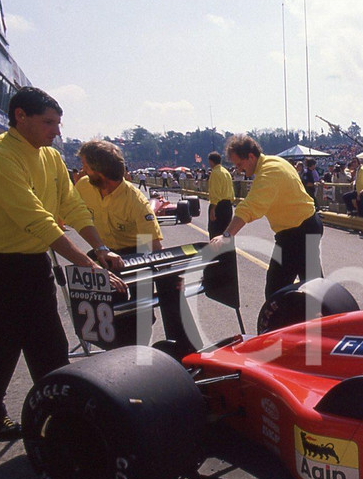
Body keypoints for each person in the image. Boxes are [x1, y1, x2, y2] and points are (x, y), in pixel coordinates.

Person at [0, 86, 124, 439]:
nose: (57, 131)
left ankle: (61, 410)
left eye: (58, 123)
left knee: (49, 341)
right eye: (49, 122)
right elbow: (36, 218)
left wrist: (100, 248)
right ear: (20, 116)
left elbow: (71, 207)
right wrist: (88, 265)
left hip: (31, 261)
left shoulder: (50, 158)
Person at [75, 140, 200, 355]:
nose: (82, 170)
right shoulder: (83, 186)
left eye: (85, 166)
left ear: (99, 172)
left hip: (132, 255)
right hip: (101, 253)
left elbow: (152, 247)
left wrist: (170, 277)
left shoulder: (135, 201)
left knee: (136, 316)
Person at [209, 134, 323, 300]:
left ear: (251, 156)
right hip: (304, 227)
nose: (239, 169)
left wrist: (227, 236)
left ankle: (297, 322)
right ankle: (323, 318)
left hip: (297, 232)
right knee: (312, 285)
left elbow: (250, 207)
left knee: (277, 291)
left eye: (240, 164)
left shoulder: (268, 173)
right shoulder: (276, 162)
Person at [206, 151, 235, 239]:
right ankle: (229, 252)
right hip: (228, 205)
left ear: (211, 161)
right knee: (227, 233)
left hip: (219, 206)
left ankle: (217, 253)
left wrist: (213, 209)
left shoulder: (215, 173)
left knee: (215, 233)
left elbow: (216, 193)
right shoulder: (226, 172)